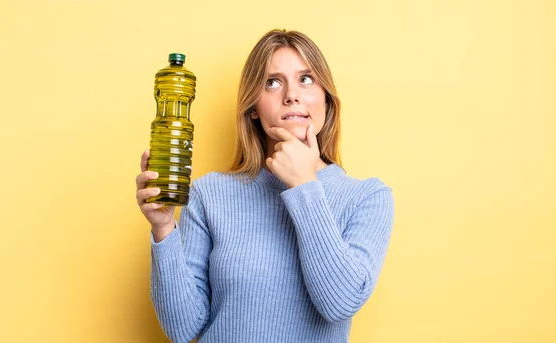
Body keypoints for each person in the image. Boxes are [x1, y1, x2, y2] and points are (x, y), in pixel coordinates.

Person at [135, 29, 395, 343]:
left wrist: (304, 186)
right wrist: (163, 228)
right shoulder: (209, 195)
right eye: (272, 82)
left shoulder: (367, 197)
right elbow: (183, 328)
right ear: (253, 108)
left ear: (327, 98)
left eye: (306, 79)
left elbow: (339, 303)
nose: (292, 95)